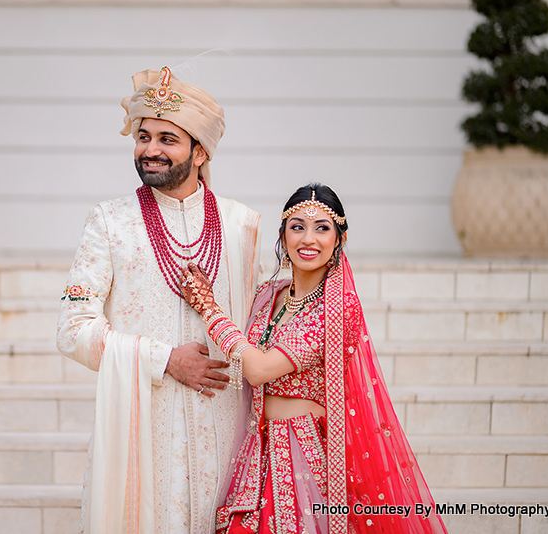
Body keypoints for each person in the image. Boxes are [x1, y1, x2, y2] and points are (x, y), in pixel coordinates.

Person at [57, 66, 262, 534]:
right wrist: (164, 360)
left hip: (227, 431)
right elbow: (72, 330)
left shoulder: (242, 226)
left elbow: (266, 329)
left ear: (200, 150)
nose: (150, 149)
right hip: (144, 432)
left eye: (167, 139)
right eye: (143, 136)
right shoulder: (109, 222)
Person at [179, 184, 448, 534]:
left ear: (340, 239)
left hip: (304, 454)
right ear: (283, 235)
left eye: (322, 227)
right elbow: (239, 351)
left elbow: (259, 369)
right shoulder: (268, 295)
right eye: (298, 226)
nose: (309, 238)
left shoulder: (337, 310)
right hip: (256, 449)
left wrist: (209, 308)